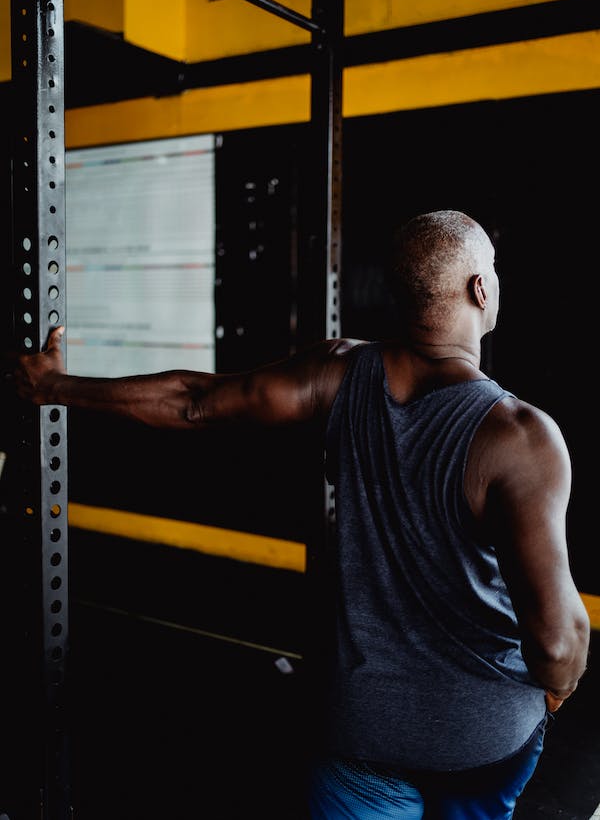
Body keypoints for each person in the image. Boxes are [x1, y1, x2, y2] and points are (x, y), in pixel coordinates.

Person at [12, 209, 590, 820]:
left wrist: (57, 387)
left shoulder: (337, 372)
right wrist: (558, 686)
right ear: (480, 288)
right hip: (481, 741)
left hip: (358, 735)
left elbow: (194, 403)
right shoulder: (523, 436)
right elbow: (556, 642)